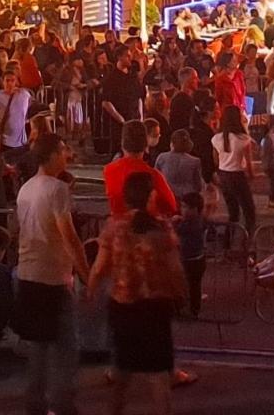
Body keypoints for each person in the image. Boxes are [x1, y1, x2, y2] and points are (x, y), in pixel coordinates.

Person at [89, 172, 188, 415]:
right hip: (155, 308)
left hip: (123, 306)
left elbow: (100, 267)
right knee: (158, 375)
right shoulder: (162, 228)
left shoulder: (115, 227)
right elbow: (175, 269)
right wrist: (182, 294)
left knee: (122, 373)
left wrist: (91, 289)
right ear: (151, 196)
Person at [14, 134, 89, 415]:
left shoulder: (26, 189)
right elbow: (69, 237)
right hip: (53, 276)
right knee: (67, 347)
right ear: (53, 155)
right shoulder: (57, 190)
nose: (67, 155)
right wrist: (86, 275)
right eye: (63, 150)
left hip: (28, 273)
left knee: (38, 348)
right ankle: (63, 404)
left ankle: (35, 404)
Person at [103, 120, 178, 218]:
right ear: (145, 144)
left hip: (118, 222)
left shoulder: (109, 171)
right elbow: (171, 206)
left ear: (122, 144)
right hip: (146, 224)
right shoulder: (153, 175)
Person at [211, 104, 256, 236]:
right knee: (248, 209)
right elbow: (248, 162)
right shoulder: (243, 139)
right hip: (238, 174)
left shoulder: (216, 138)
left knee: (232, 209)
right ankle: (249, 237)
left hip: (224, 175)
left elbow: (215, 160)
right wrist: (251, 176)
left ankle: (229, 237)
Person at [176, 192, 207, 319]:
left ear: (194, 209)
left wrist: (174, 223)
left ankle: (192, 309)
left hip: (191, 260)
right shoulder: (197, 220)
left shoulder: (192, 223)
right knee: (192, 285)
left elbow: (179, 230)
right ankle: (191, 308)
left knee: (192, 285)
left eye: (185, 207)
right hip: (195, 258)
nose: (182, 210)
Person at [157, 129, 203, 204]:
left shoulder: (162, 157)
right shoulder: (195, 161)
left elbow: (156, 179)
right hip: (187, 200)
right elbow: (198, 186)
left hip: (167, 197)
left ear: (172, 143)